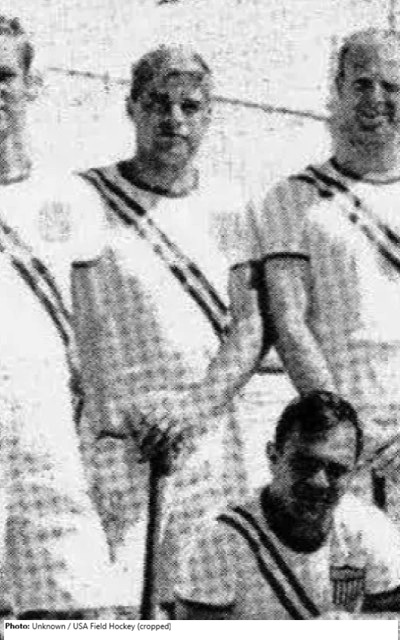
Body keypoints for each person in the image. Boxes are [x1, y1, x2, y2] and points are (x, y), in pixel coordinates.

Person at [71, 45, 263, 612]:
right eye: (158, 103)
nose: (173, 119)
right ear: (132, 107)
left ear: (209, 115)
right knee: (112, 606)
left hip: (205, 437)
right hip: (119, 438)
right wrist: (116, 411)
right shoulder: (84, 196)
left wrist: (195, 409)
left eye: (189, 106)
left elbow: (250, 324)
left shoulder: (231, 206)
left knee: (199, 601)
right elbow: (75, 318)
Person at [236, 28, 400, 520]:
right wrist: (347, 429)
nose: (375, 99)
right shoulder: (292, 197)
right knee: (358, 564)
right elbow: (289, 323)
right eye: (362, 83)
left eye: (391, 86)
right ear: (338, 89)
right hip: (342, 428)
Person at [0, 16, 124, 619]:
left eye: (3, 75)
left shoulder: (70, 196)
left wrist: (103, 451)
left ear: (31, 85)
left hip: (45, 432)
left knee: (74, 607)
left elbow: (95, 338)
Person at [176, 391, 400, 620]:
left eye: (336, 470)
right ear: (273, 457)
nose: (319, 482)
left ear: (353, 472)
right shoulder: (219, 539)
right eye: (304, 464)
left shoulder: (368, 527)